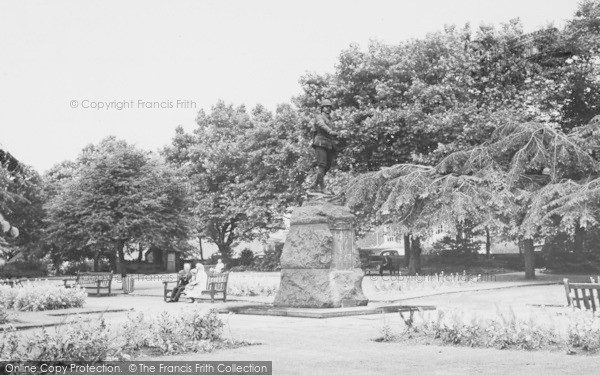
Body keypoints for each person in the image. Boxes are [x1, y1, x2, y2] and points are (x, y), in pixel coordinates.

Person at [308, 99, 339, 194]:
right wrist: (330, 131)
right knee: (322, 165)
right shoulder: (319, 117)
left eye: (330, 107)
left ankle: (314, 183)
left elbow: (331, 132)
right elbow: (321, 125)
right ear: (322, 108)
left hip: (329, 145)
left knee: (327, 166)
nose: (328, 109)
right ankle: (322, 187)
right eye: (326, 107)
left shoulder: (330, 120)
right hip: (320, 143)